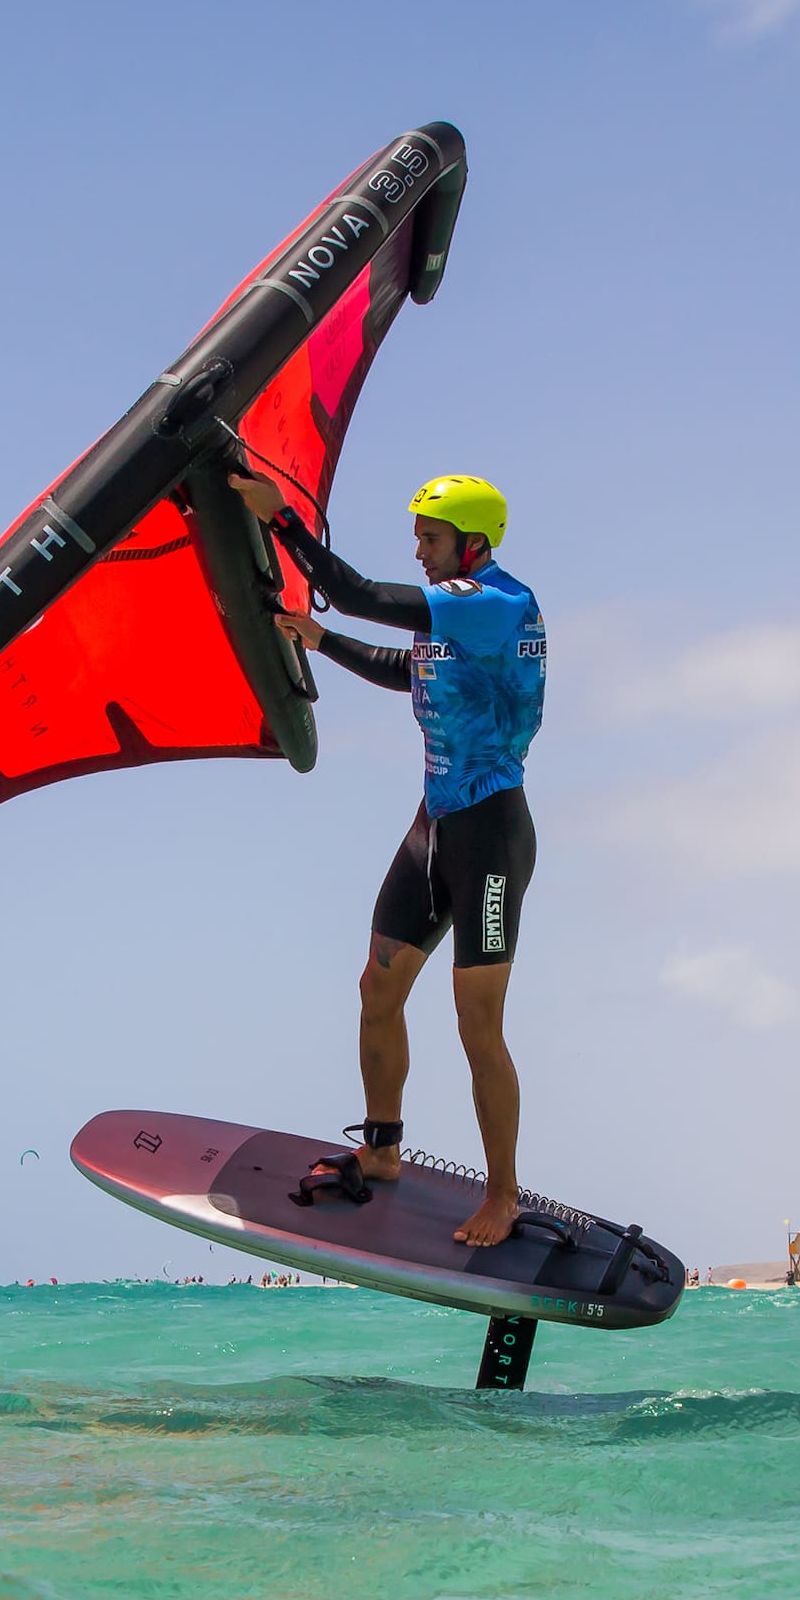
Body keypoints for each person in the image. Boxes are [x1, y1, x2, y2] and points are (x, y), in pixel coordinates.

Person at [230, 468, 546, 1247]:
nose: (419, 550)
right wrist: (322, 640)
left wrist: (284, 525)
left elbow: (369, 595)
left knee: (477, 1023)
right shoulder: (455, 625)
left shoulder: (497, 602)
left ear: (472, 543)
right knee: (378, 987)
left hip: (491, 838)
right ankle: (381, 1150)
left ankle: (502, 1195)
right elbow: (407, 669)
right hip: (434, 825)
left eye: (430, 538)